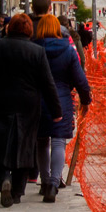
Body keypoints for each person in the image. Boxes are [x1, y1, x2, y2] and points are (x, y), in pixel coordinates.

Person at [0, 15, 61, 207]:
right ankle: (17, 191)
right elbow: (47, 83)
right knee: (25, 145)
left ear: (9, 29)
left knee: (0, 143)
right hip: (27, 104)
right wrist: (56, 110)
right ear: (28, 31)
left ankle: (3, 178)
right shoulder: (36, 51)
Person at [33, 15, 90, 202]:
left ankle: (44, 180)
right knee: (58, 141)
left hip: (37, 100)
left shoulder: (33, 48)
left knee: (41, 141)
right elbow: (80, 79)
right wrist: (85, 99)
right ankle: (54, 183)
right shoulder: (67, 50)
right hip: (62, 99)